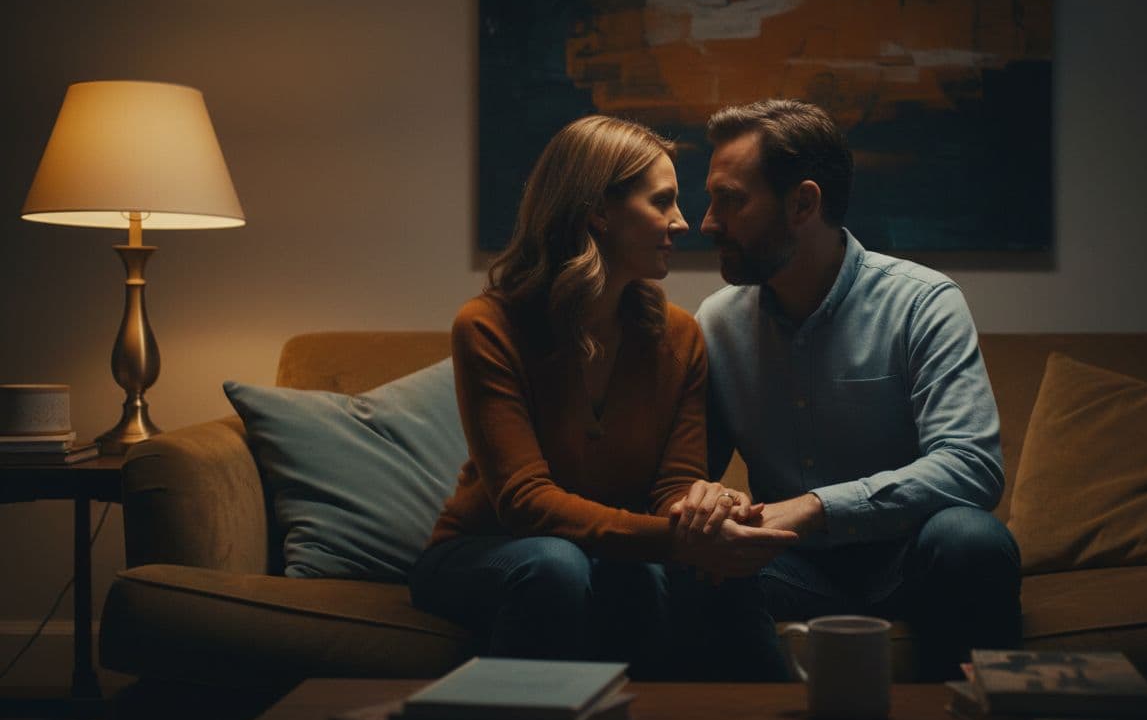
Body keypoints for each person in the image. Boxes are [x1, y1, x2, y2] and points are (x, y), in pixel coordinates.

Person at [409, 115, 797, 681]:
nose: (682, 221)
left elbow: (672, 487)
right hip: (489, 550)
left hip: (613, 556)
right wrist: (676, 542)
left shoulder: (679, 336)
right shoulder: (490, 326)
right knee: (557, 563)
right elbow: (525, 501)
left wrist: (707, 518)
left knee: (651, 576)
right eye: (661, 202)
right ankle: (506, 717)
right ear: (597, 210)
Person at [677, 99, 1022, 680]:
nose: (708, 222)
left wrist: (816, 508)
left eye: (730, 200)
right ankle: (758, 719)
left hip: (910, 560)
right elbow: (689, 471)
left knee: (971, 538)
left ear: (802, 203)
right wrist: (711, 505)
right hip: (787, 568)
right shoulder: (717, 322)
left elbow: (972, 466)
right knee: (688, 563)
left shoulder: (923, 303)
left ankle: (966, 718)